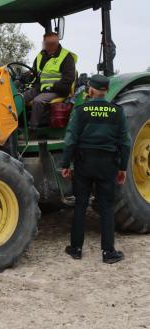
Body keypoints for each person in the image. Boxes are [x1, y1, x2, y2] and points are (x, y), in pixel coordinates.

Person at [60, 74, 131, 264]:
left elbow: (70, 140)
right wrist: (123, 168)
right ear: (106, 90)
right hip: (108, 165)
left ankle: (75, 249)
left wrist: (65, 164)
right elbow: (125, 143)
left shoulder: (81, 110)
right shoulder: (117, 112)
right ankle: (108, 252)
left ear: (90, 90)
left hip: (84, 163)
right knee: (107, 207)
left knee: (80, 204)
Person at [24, 32, 77, 129]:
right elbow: (34, 72)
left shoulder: (66, 57)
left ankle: (32, 130)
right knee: (18, 98)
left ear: (57, 42)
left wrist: (53, 87)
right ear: (44, 43)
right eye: (48, 43)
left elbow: (68, 78)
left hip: (58, 90)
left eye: (54, 43)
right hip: (40, 88)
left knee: (38, 101)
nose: (51, 46)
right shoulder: (41, 55)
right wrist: (26, 77)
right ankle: (13, 126)